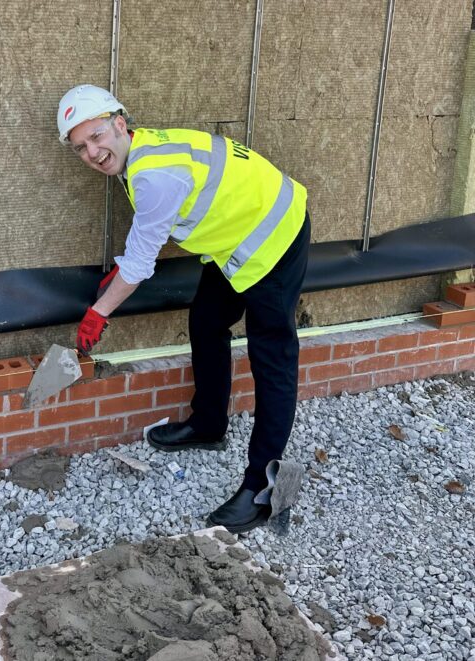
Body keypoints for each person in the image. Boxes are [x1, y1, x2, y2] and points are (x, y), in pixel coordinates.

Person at [58, 84, 310, 533]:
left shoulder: (153, 176)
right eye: (81, 147)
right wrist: (115, 280)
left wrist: (99, 312)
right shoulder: (143, 151)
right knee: (208, 320)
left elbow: (140, 262)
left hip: (274, 235)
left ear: (119, 124)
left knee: (272, 357)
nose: (93, 152)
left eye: (96, 136)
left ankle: (263, 491)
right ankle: (210, 424)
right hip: (237, 236)